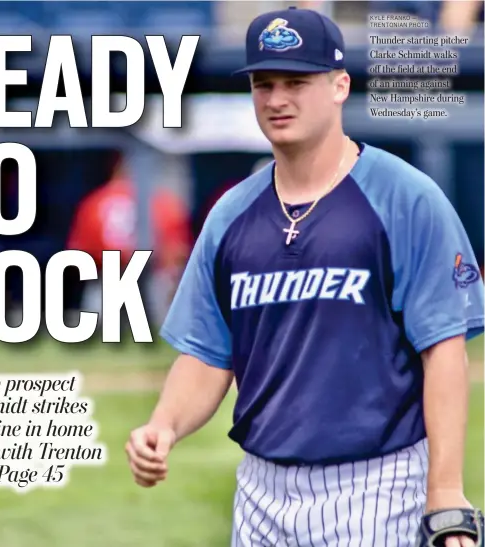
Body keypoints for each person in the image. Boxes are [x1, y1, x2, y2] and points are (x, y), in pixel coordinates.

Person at [125, 7, 484, 547]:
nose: (276, 99)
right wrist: (164, 426)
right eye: (263, 83)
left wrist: (446, 492)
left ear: (340, 85)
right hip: (260, 491)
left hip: (377, 485)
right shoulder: (232, 214)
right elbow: (206, 352)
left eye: (297, 81)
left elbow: (444, 351)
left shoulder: (403, 197)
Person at [66, 152, 191, 328]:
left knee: (95, 328)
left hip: (112, 275)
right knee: (161, 326)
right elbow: (177, 252)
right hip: (149, 274)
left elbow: (80, 254)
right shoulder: (164, 201)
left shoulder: (94, 201)